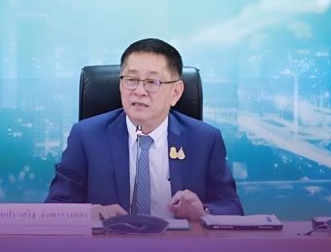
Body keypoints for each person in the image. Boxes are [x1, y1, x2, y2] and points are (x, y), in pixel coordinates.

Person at [45, 38, 243, 220]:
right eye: (131, 80)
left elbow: (231, 208)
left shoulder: (205, 140)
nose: (139, 91)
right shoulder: (86, 136)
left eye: (152, 82)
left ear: (176, 92)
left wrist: (202, 212)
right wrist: (92, 212)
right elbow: (55, 206)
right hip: (111, 242)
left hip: (179, 242)